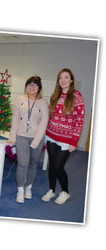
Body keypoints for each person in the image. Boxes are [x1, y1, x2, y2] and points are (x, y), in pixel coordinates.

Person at [42, 68, 85, 205]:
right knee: (52, 165)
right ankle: (51, 190)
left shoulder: (77, 96)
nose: (63, 80)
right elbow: (49, 116)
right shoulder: (55, 95)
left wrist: (74, 141)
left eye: (66, 77)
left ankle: (65, 192)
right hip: (51, 135)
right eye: (60, 78)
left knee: (58, 167)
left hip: (66, 140)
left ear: (71, 80)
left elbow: (79, 120)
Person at [7, 76, 49, 203]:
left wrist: (36, 142)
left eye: (35, 85)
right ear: (26, 87)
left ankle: (28, 188)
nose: (32, 87)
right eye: (29, 84)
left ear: (39, 88)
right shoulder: (20, 99)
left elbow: (44, 123)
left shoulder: (43, 102)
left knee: (33, 165)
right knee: (22, 165)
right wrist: (12, 137)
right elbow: (15, 119)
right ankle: (20, 190)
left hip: (37, 137)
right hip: (21, 137)